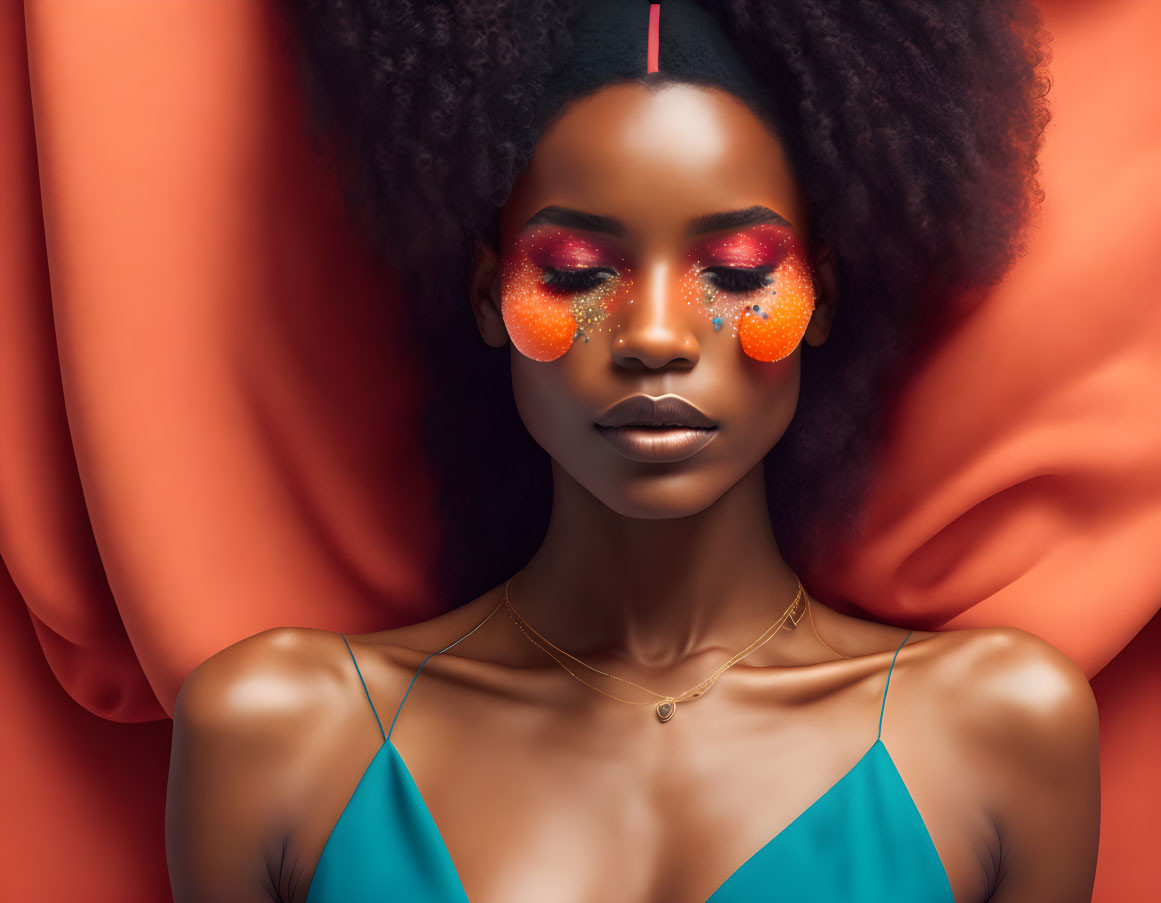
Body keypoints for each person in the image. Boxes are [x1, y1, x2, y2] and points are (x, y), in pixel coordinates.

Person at [166, 2, 1100, 901]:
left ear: (820, 294)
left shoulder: (997, 734)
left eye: (736, 273)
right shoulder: (281, 737)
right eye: (577, 273)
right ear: (491, 296)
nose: (654, 334)